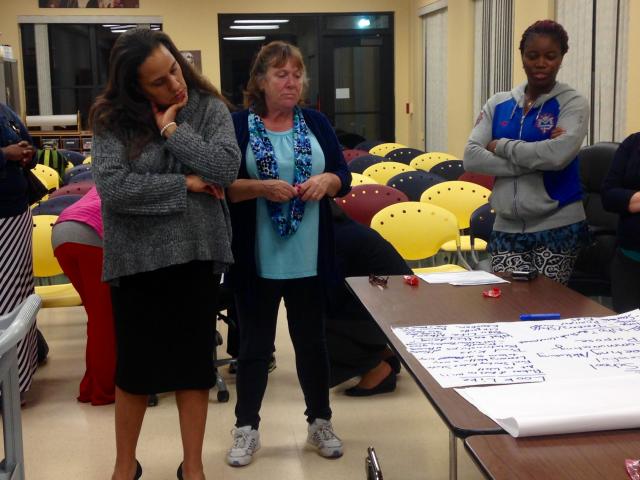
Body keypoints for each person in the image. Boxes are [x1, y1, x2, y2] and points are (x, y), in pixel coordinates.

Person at [90, 28, 240, 480]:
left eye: (173, 68)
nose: (174, 83)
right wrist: (186, 184)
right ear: (135, 86)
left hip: (195, 254)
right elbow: (114, 189)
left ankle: (192, 467)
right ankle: (124, 466)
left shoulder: (208, 107)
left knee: (193, 369)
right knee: (134, 371)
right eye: (158, 81)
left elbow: (225, 168)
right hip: (136, 261)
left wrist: (172, 131)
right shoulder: (111, 119)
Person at [225, 41, 351, 467]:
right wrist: (261, 187)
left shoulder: (314, 121)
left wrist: (328, 182)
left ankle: (320, 421)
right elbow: (222, 185)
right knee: (255, 348)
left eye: (297, 74)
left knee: (312, 344)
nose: (292, 82)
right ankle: (247, 428)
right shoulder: (239, 124)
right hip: (257, 258)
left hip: (310, 256)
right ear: (261, 81)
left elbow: (343, 173)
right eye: (282, 74)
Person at [463, 20, 590, 284]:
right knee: (508, 303)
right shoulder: (498, 103)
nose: (541, 63)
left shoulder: (572, 103)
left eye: (550, 56)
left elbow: (557, 156)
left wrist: (501, 146)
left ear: (561, 58)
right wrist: (536, 159)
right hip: (506, 226)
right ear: (522, 57)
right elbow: (472, 157)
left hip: (558, 224)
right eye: (533, 56)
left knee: (547, 309)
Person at [327, 202, 410, 395]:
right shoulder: (348, 230)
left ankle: (376, 370)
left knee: (313, 322)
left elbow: (333, 290)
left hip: (390, 312)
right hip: (400, 305)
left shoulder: (334, 238)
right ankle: (382, 354)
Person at [52, 186, 116, 406]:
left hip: (62, 233)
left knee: (97, 317)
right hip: (91, 237)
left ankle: (90, 385)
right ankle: (104, 391)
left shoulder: (105, 178)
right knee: (105, 322)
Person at [0, 102, 41, 401]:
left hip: (16, 212)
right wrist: (5, 154)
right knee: (4, 302)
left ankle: (21, 379)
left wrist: (28, 153)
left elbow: (27, 143)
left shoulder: (4, 110)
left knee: (20, 297)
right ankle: (8, 386)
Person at [602, 133, 640, 313]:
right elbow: (609, 196)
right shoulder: (633, 143)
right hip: (629, 259)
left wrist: (630, 200)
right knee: (626, 332)